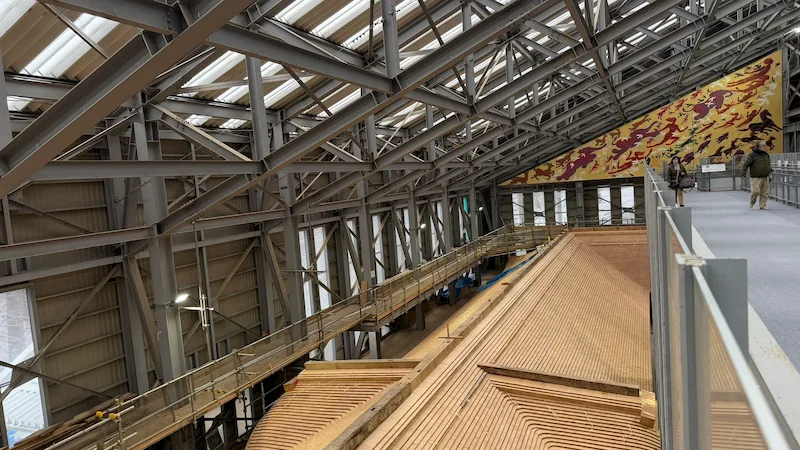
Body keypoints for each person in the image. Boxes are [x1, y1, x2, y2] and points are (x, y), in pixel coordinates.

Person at [741, 140, 773, 210]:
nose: (765, 147)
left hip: (765, 176)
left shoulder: (766, 154)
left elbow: (768, 164)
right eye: (764, 146)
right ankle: (752, 202)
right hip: (756, 177)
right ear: (759, 147)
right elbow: (746, 164)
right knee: (755, 191)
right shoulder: (752, 155)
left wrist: (770, 171)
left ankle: (762, 205)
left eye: (765, 146)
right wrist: (743, 173)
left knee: (765, 192)